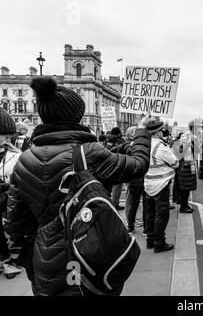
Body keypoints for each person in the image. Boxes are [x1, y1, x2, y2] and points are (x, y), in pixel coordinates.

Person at [4, 76, 155, 296]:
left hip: (43, 259)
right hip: (86, 253)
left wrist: (33, 257)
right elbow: (138, 166)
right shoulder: (88, 152)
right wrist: (142, 131)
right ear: (76, 116)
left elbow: (15, 224)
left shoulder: (24, 159)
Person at [143, 121, 179, 253]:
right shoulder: (160, 146)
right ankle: (159, 243)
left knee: (150, 214)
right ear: (158, 132)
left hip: (147, 183)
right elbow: (175, 162)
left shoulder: (143, 145)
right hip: (160, 184)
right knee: (162, 215)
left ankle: (150, 241)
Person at [0, 109, 25, 278]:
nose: (7, 140)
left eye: (9, 136)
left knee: (14, 232)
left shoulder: (17, 156)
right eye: (4, 136)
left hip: (11, 201)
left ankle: (11, 261)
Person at [113, 126, 148, 234]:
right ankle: (132, 225)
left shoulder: (129, 145)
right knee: (133, 202)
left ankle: (138, 226)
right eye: (135, 131)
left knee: (139, 202)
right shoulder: (130, 146)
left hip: (138, 177)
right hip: (135, 177)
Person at [173, 124, 197, 213]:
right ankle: (183, 206)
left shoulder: (188, 143)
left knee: (186, 189)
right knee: (184, 188)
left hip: (188, 168)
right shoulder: (179, 144)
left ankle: (185, 204)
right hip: (184, 168)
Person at [106, 127, 126, 210]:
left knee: (108, 187)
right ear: (118, 133)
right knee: (117, 187)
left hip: (108, 166)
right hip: (118, 166)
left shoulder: (107, 141)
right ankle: (114, 205)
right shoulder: (121, 141)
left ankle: (107, 204)